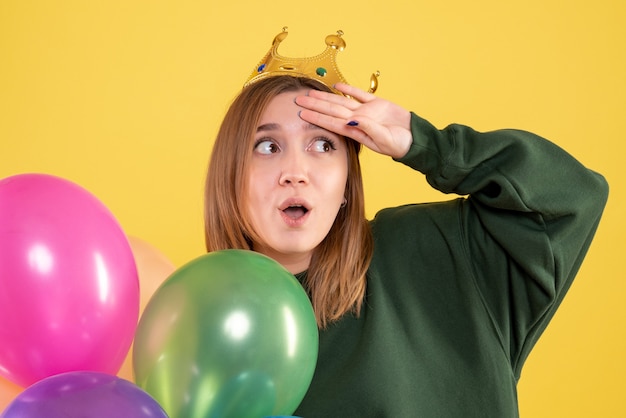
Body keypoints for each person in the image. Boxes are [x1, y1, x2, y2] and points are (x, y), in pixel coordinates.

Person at [203, 31, 608, 417]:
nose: (295, 171)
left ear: (346, 185)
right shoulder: (209, 338)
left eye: (323, 144)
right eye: (268, 146)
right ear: (230, 177)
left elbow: (572, 198)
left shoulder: (438, 251)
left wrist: (426, 143)